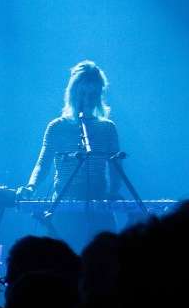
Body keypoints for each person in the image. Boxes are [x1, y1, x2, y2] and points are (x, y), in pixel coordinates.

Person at [20, 60, 123, 252]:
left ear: (100, 95)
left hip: (98, 199)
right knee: (62, 257)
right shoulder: (57, 127)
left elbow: (116, 167)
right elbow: (43, 163)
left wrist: (113, 193)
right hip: (64, 201)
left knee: (105, 256)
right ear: (74, 93)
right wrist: (31, 186)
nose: (88, 99)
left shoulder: (107, 128)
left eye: (93, 94)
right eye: (83, 94)